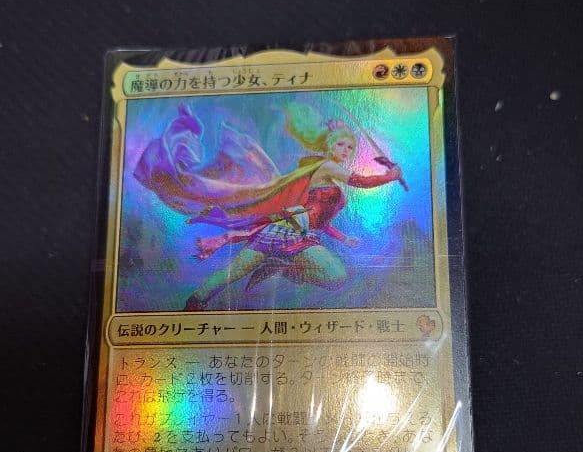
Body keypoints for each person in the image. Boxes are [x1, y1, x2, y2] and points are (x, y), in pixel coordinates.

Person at [133, 101, 403, 311]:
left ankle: (272, 269)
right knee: (241, 272)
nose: (345, 150)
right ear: (330, 146)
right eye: (341, 144)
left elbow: (319, 220)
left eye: (350, 147)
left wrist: (344, 238)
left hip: (297, 233)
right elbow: (361, 181)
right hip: (287, 232)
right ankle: (197, 302)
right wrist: (390, 176)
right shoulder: (326, 167)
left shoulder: (329, 177)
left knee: (330, 277)